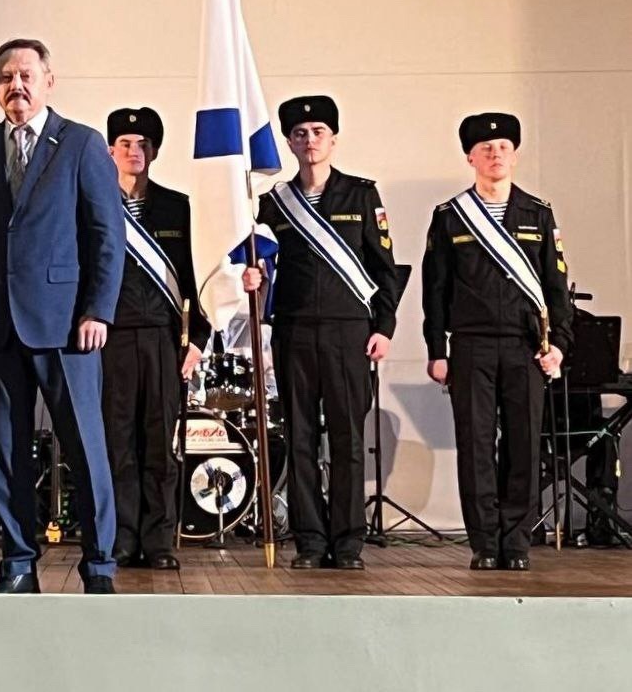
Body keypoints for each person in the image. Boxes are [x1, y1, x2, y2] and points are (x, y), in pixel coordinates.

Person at [0, 38, 124, 594]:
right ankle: (19, 565)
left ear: (49, 81)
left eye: (26, 75)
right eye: (6, 77)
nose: (16, 86)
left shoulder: (81, 144)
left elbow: (106, 236)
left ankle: (99, 567)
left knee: (85, 447)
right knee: (5, 451)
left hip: (68, 327)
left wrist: (98, 310)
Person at [242, 96, 401, 570]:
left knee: (348, 439)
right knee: (301, 438)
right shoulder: (272, 204)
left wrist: (384, 328)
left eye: (317, 132)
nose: (309, 141)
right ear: (289, 143)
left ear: (333, 139)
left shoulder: (361, 195)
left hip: (348, 332)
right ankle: (310, 540)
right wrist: (251, 278)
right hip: (293, 331)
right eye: (299, 134)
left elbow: (384, 270)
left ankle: (348, 542)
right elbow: (262, 268)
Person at [423, 112, 571, 571]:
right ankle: (485, 543)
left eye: (504, 147)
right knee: (475, 446)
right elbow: (435, 291)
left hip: (526, 347)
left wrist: (559, 344)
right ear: (470, 157)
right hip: (472, 346)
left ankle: (517, 542)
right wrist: (436, 350)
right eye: (485, 148)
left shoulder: (538, 214)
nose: (496, 154)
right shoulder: (450, 216)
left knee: (524, 446)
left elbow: (556, 287)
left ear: (515, 155)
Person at [103, 107, 210, 570]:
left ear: (156, 151)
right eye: (126, 143)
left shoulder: (176, 207)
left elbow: (196, 278)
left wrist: (198, 338)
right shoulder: (93, 203)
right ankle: (122, 537)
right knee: (118, 443)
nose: (135, 151)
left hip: (163, 340)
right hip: (110, 340)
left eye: (144, 144)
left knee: (160, 444)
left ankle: (160, 540)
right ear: (110, 150)